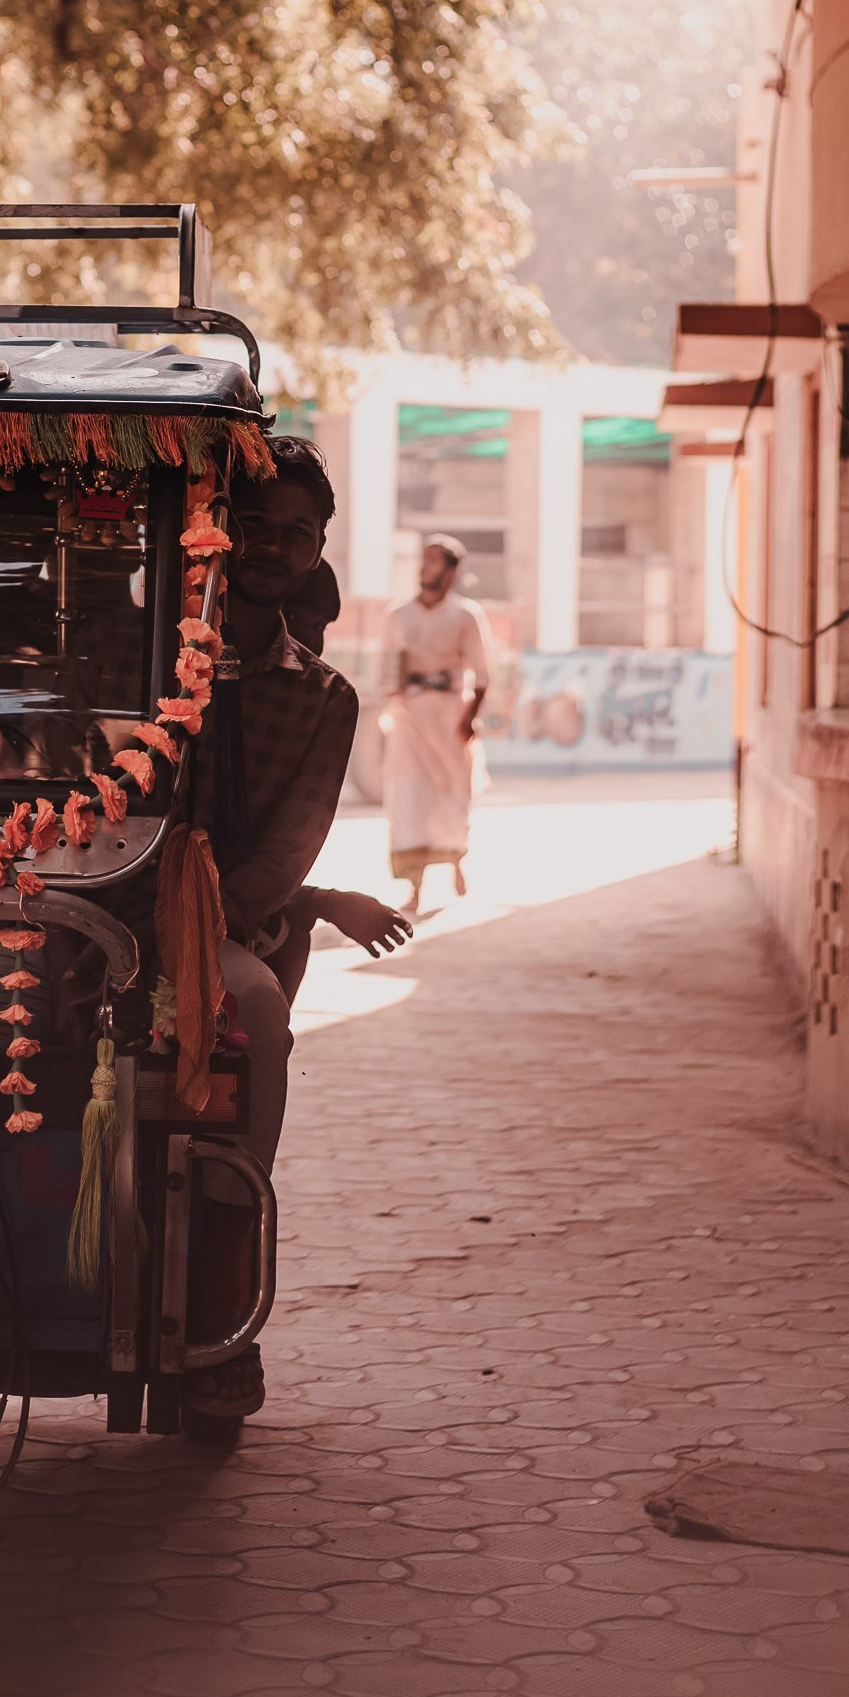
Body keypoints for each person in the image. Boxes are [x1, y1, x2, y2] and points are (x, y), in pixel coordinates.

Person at [188, 439, 410, 1424]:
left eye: (298, 534)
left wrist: (198, 916)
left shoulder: (325, 698)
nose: (273, 545)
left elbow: (287, 853)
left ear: (316, 554)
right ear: (216, 525)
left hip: (217, 935)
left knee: (258, 1008)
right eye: (257, 523)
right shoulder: (136, 649)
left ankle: (223, 1307)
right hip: (78, 910)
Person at [380, 532, 491, 918]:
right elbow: (388, 668)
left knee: (451, 798)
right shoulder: (398, 614)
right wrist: (394, 706)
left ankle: (457, 862)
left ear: (451, 569)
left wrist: (469, 718)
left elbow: (482, 674)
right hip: (409, 719)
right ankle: (415, 887)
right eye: (422, 559)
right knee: (409, 797)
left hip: (450, 718)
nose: (423, 567)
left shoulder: (466, 615)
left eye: (433, 560)